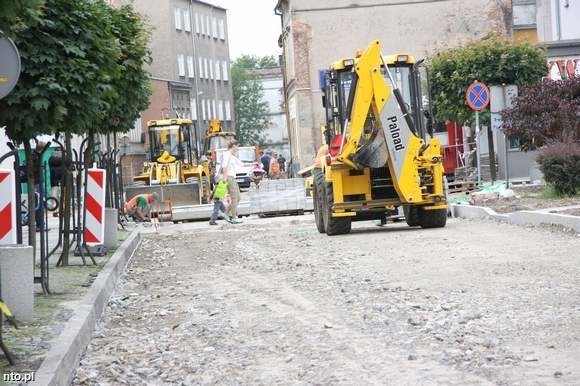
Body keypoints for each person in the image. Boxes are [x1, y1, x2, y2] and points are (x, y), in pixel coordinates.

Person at [221, 141, 242, 223]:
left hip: (233, 178)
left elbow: (241, 164)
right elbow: (224, 167)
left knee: (238, 198)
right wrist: (224, 180)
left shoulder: (232, 156)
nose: (237, 148)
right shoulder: (226, 155)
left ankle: (226, 213)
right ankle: (234, 217)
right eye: (237, 146)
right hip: (229, 178)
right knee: (234, 198)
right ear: (233, 146)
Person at [32, 141, 47, 231]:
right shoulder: (36, 157)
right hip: (37, 182)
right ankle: (39, 225)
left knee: (39, 203)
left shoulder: (35, 156)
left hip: (38, 182)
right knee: (39, 204)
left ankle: (40, 224)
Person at [49, 149, 63, 217]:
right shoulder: (63, 159)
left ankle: (55, 210)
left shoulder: (51, 160)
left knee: (54, 196)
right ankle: (63, 210)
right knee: (62, 196)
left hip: (54, 181)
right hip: (63, 180)